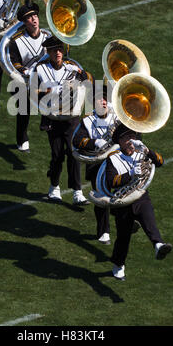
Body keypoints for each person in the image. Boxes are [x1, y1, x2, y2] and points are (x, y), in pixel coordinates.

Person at [101, 123, 172, 281]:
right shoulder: (113, 158)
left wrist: (147, 150)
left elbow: (160, 162)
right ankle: (118, 265)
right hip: (123, 202)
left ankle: (158, 245)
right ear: (119, 141)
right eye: (126, 137)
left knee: (150, 222)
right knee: (123, 238)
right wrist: (130, 174)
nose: (131, 140)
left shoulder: (141, 152)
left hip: (140, 197)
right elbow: (112, 181)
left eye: (132, 136)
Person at [32, 36, 93, 205]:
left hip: (71, 118)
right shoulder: (40, 69)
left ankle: (77, 192)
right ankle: (54, 187)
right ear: (48, 52)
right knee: (57, 155)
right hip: (53, 118)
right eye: (53, 50)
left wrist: (84, 78)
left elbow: (89, 82)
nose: (58, 53)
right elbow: (33, 92)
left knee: (74, 154)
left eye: (60, 49)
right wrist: (54, 89)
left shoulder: (73, 67)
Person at [72, 84, 121, 242]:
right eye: (100, 99)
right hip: (97, 165)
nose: (104, 101)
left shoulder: (117, 117)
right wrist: (95, 143)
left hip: (117, 163)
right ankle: (103, 231)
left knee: (123, 193)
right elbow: (77, 140)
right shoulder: (87, 121)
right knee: (101, 197)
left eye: (106, 99)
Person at [8, 3, 52, 152]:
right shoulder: (16, 41)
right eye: (29, 18)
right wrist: (25, 71)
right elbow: (13, 62)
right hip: (21, 81)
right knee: (24, 110)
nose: (34, 19)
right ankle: (22, 139)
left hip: (41, 81)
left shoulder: (48, 37)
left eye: (35, 16)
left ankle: (46, 120)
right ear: (24, 22)